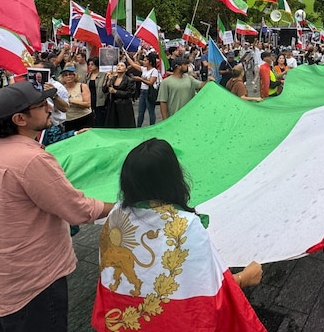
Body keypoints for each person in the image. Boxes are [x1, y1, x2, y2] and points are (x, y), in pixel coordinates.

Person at [0, 82, 113, 330]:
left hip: (0, 278)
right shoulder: (31, 159)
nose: (50, 108)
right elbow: (78, 210)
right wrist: (121, 205)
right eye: (41, 105)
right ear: (20, 119)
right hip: (34, 282)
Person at [92, 138, 265, 331]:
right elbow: (209, 297)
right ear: (173, 179)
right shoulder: (186, 226)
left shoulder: (114, 216)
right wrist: (244, 277)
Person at [157, 55, 209, 120]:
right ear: (178, 66)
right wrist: (165, 120)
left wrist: (208, 80)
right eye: (185, 64)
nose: (187, 66)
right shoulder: (166, 82)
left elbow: (201, 85)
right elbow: (163, 102)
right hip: (174, 118)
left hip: (189, 116)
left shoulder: (189, 78)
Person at [126, 51, 161, 127]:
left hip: (149, 92)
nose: (143, 62)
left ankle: (152, 127)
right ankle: (139, 127)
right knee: (140, 111)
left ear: (150, 62)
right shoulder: (144, 69)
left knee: (151, 111)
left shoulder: (154, 71)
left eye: (145, 61)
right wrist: (126, 55)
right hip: (143, 92)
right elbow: (133, 64)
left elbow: (151, 83)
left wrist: (140, 79)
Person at [59, 63, 93, 132]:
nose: (68, 76)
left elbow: (87, 104)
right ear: (62, 77)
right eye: (65, 75)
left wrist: (70, 100)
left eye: (70, 74)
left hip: (84, 117)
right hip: (69, 120)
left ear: (75, 75)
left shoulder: (82, 86)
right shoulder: (61, 89)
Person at [104, 62, 138, 128]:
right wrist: (108, 80)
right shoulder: (113, 78)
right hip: (113, 105)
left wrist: (116, 91)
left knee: (124, 124)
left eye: (122, 65)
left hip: (124, 106)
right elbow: (104, 90)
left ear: (126, 69)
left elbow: (129, 93)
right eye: (118, 65)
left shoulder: (129, 80)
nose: (119, 67)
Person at [87, 57, 108, 127]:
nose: (90, 66)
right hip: (90, 99)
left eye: (92, 64)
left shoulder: (104, 75)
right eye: (89, 64)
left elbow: (105, 88)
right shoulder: (88, 76)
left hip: (100, 100)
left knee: (100, 119)